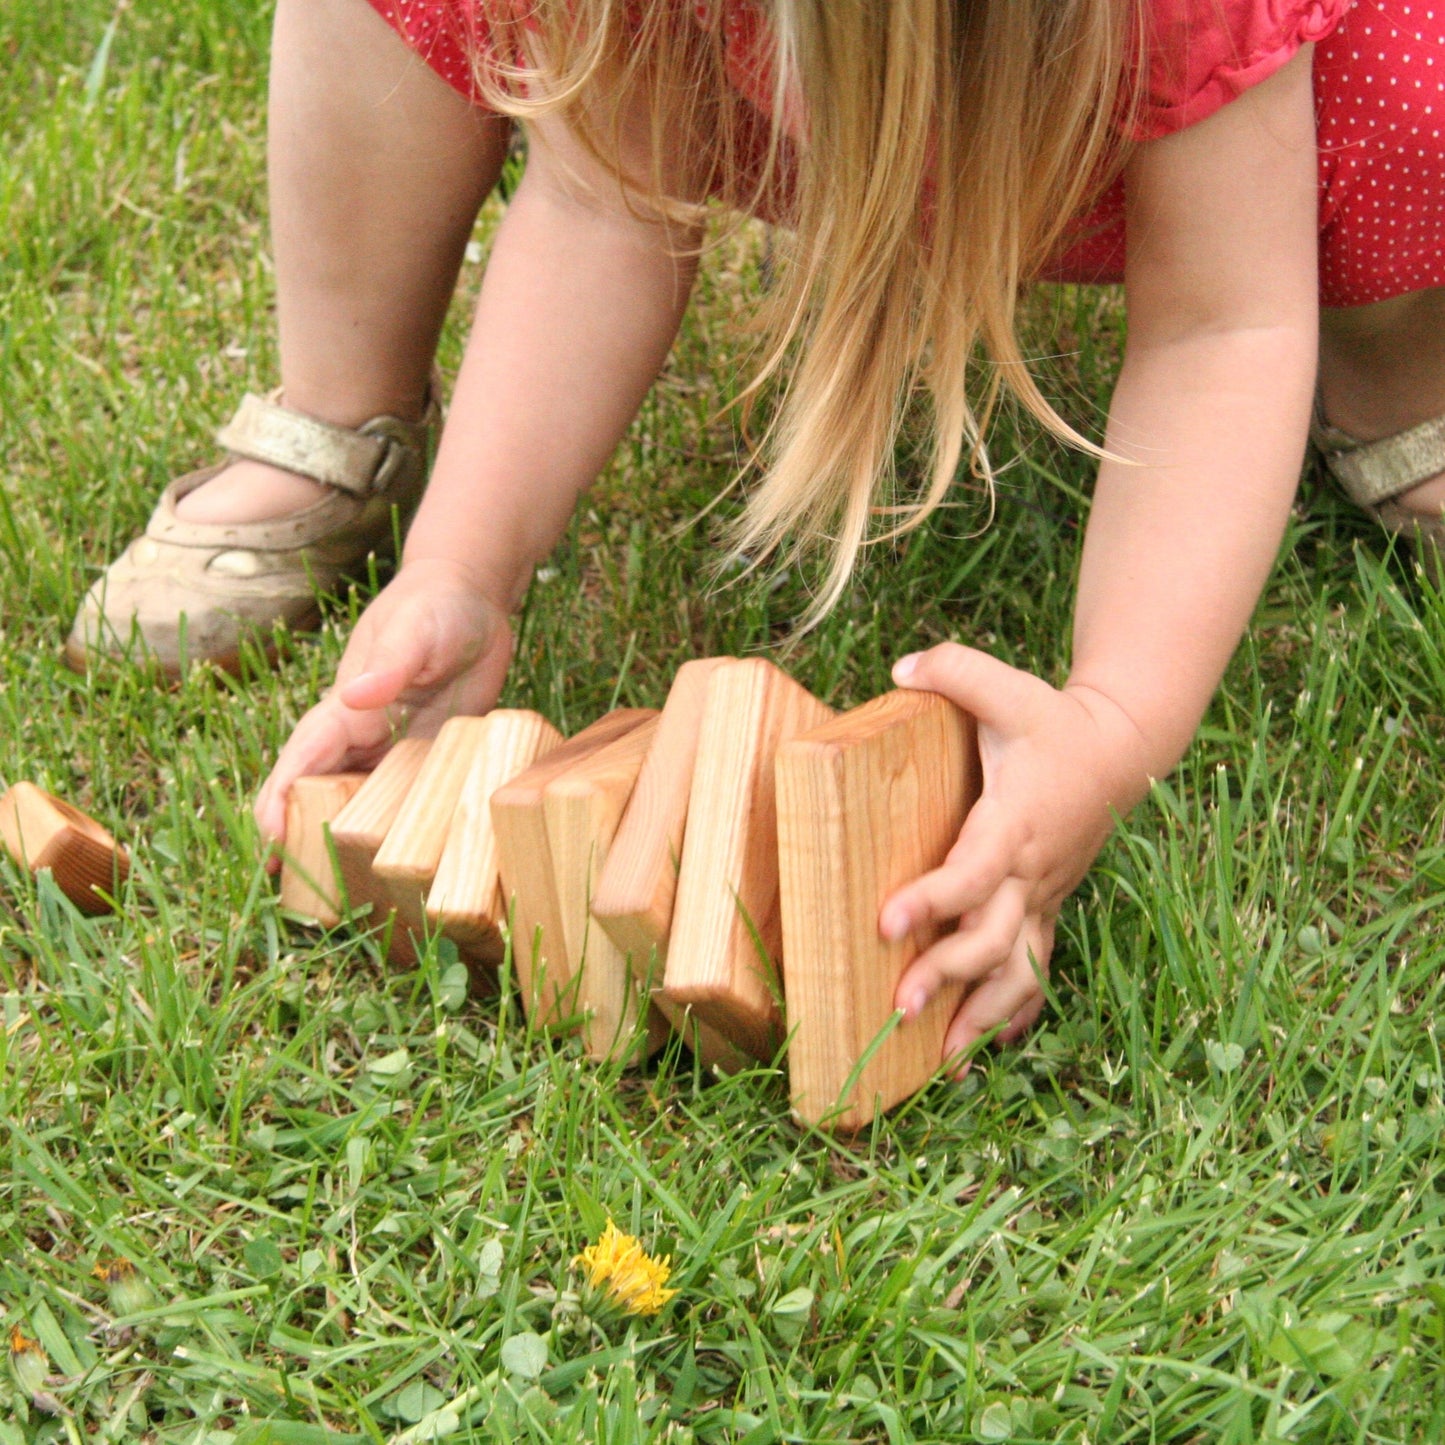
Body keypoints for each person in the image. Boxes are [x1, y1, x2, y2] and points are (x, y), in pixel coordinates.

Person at [71, 0, 1445, 1062]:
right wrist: (462, 568)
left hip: (1146, 101)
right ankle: (338, 413)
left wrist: (1109, 720)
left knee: (1397, 92)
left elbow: (1220, 326)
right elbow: (604, 198)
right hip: (833, 73)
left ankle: (1393, 365)